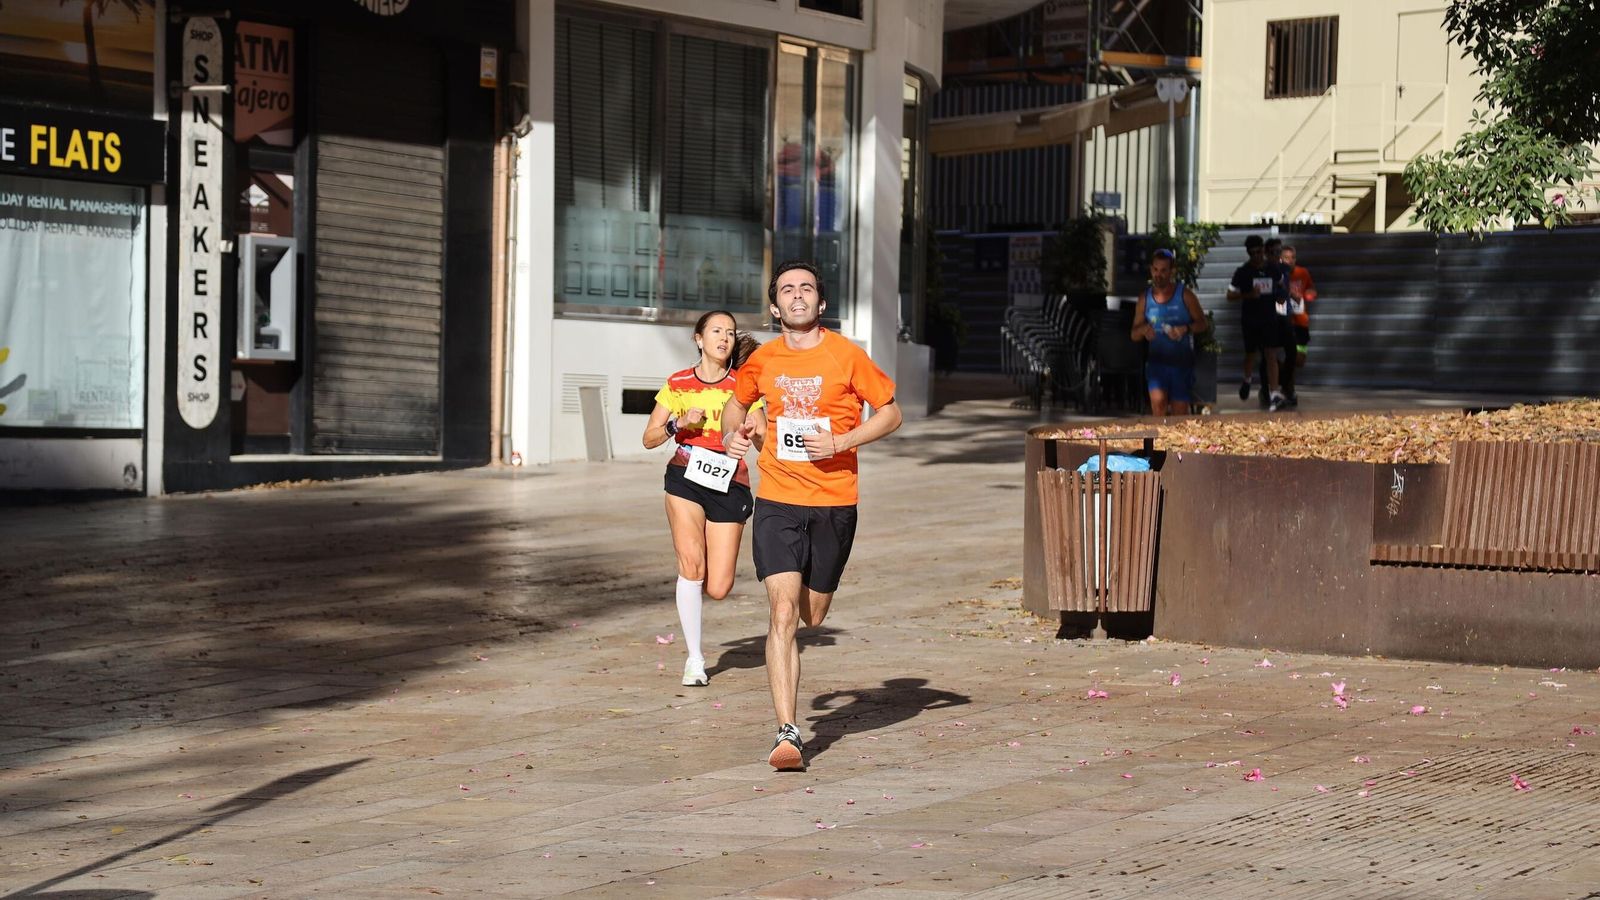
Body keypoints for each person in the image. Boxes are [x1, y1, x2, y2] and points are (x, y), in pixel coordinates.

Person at [721, 260, 902, 771]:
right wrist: (738, 432)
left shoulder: (848, 355)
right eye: (786, 290)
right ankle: (788, 733)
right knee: (781, 612)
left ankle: (811, 595)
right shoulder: (763, 360)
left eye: (806, 289)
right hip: (778, 497)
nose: (797, 296)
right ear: (775, 306)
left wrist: (842, 440)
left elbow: (891, 412)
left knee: (812, 613)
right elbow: (736, 407)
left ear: (821, 303)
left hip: (835, 501)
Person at [642, 311, 764, 688]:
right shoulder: (678, 383)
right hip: (685, 479)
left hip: (730, 484)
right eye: (716, 331)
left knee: (718, 587)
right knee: (691, 565)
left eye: (729, 332)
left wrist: (755, 433)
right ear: (699, 339)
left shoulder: (743, 385)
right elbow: (648, 437)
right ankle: (695, 660)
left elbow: (761, 438)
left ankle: (697, 592)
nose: (724, 338)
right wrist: (679, 425)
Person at [1131, 248, 1209, 416]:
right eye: (1155, 270)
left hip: (1181, 365)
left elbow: (1203, 324)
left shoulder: (1185, 295)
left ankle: (1175, 442)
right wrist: (1144, 330)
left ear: (1172, 271)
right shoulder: (1144, 299)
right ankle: (1159, 442)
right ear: (1151, 269)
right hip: (1156, 364)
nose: (1158, 275)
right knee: (1158, 407)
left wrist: (1185, 328)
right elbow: (1134, 334)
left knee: (1179, 415)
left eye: (1163, 270)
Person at [1227, 235, 1287, 411]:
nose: (1257, 256)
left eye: (1259, 252)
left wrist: (1281, 300)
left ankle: (1274, 392)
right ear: (1248, 253)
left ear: (1263, 250)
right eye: (1252, 253)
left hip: (1269, 318)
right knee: (1250, 354)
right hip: (1250, 320)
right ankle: (1247, 379)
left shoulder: (1273, 269)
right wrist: (1247, 295)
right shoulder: (1243, 272)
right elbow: (1229, 295)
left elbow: (1282, 286)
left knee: (1271, 355)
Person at [1280, 244, 1317, 396]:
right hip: (1284, 322)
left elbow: (1311, 290)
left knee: (1299, 360)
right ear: (1281, 259)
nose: (1290, 261)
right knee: (1289, 355)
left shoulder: (1303, 272)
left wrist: (1308, 294)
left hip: (1301, 322)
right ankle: (1289, 389)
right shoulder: (1277, 274)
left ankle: (1280, 377)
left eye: (1293, 257)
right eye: (1286, 258)